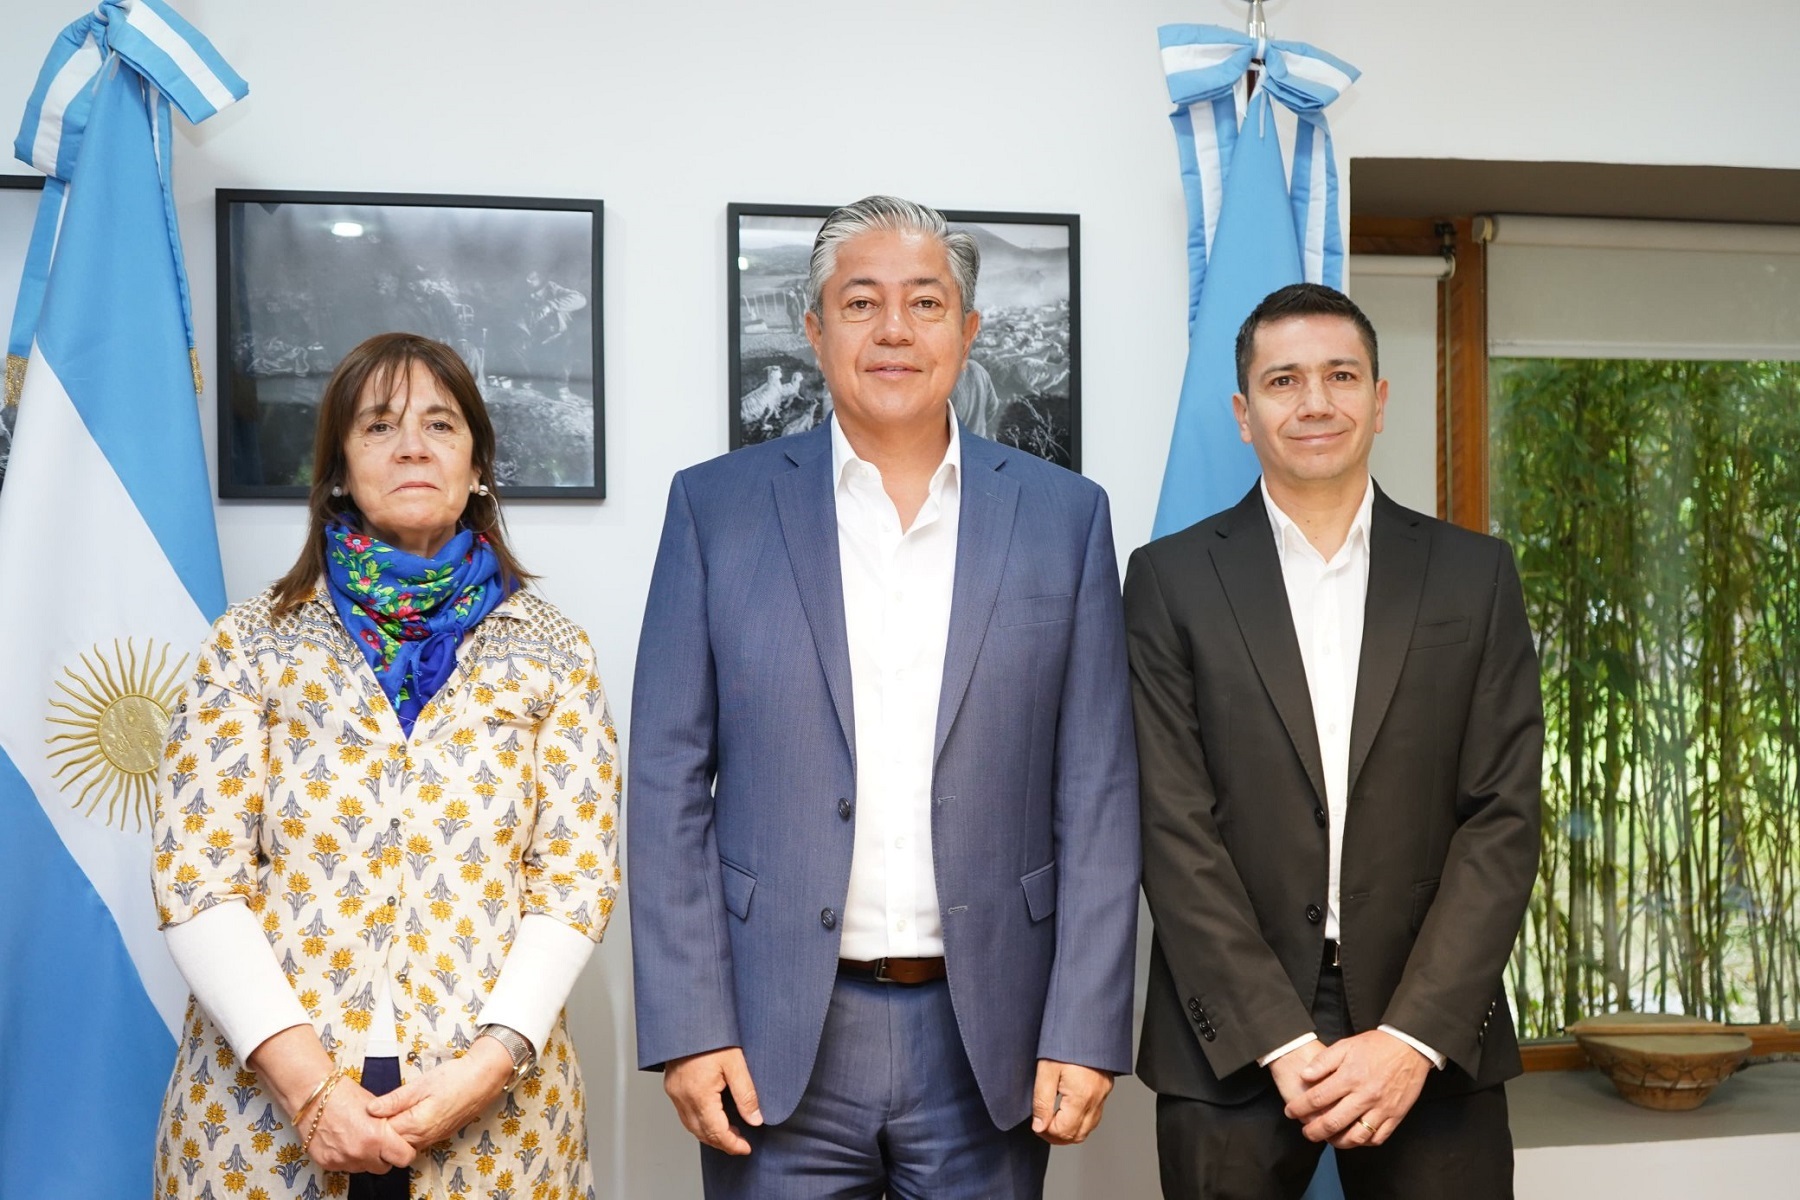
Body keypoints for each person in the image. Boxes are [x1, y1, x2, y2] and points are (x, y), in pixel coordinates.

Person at [629, 195, 1139, 1198]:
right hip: (773, 1036)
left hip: (988, 1036)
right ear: (815, 331)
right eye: (862, 304)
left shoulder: (1063, 519)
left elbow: (1099, 789)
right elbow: (665, 779)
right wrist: (688, 1028)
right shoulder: (717, 509)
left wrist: (1085, 1025)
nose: (895, 330)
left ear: (970, 329)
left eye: (926, 302)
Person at [149, 332, 621, 1200]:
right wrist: (312, 1090)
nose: (412, 445)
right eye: (378, 427)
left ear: (478, 465)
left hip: (497, 1126)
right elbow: (196, 876)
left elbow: (576, 882)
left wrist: (486, 1066)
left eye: (441, 424)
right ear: (336, 469)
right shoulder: (250, 646)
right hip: (265, 1118)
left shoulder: (554, 654)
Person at [1126, 283, 1543, 1199]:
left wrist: (1409, 1038)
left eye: (1340, 374)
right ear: (1244, 413)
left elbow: (1502, 819)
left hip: (1432, 1023)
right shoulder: (1168, 582)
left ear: (1380, 398)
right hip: (1230, 1039)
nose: (1314, 401)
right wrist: (1277, 1039)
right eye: (1284, 380)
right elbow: (1169, 823)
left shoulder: (1475, 577)